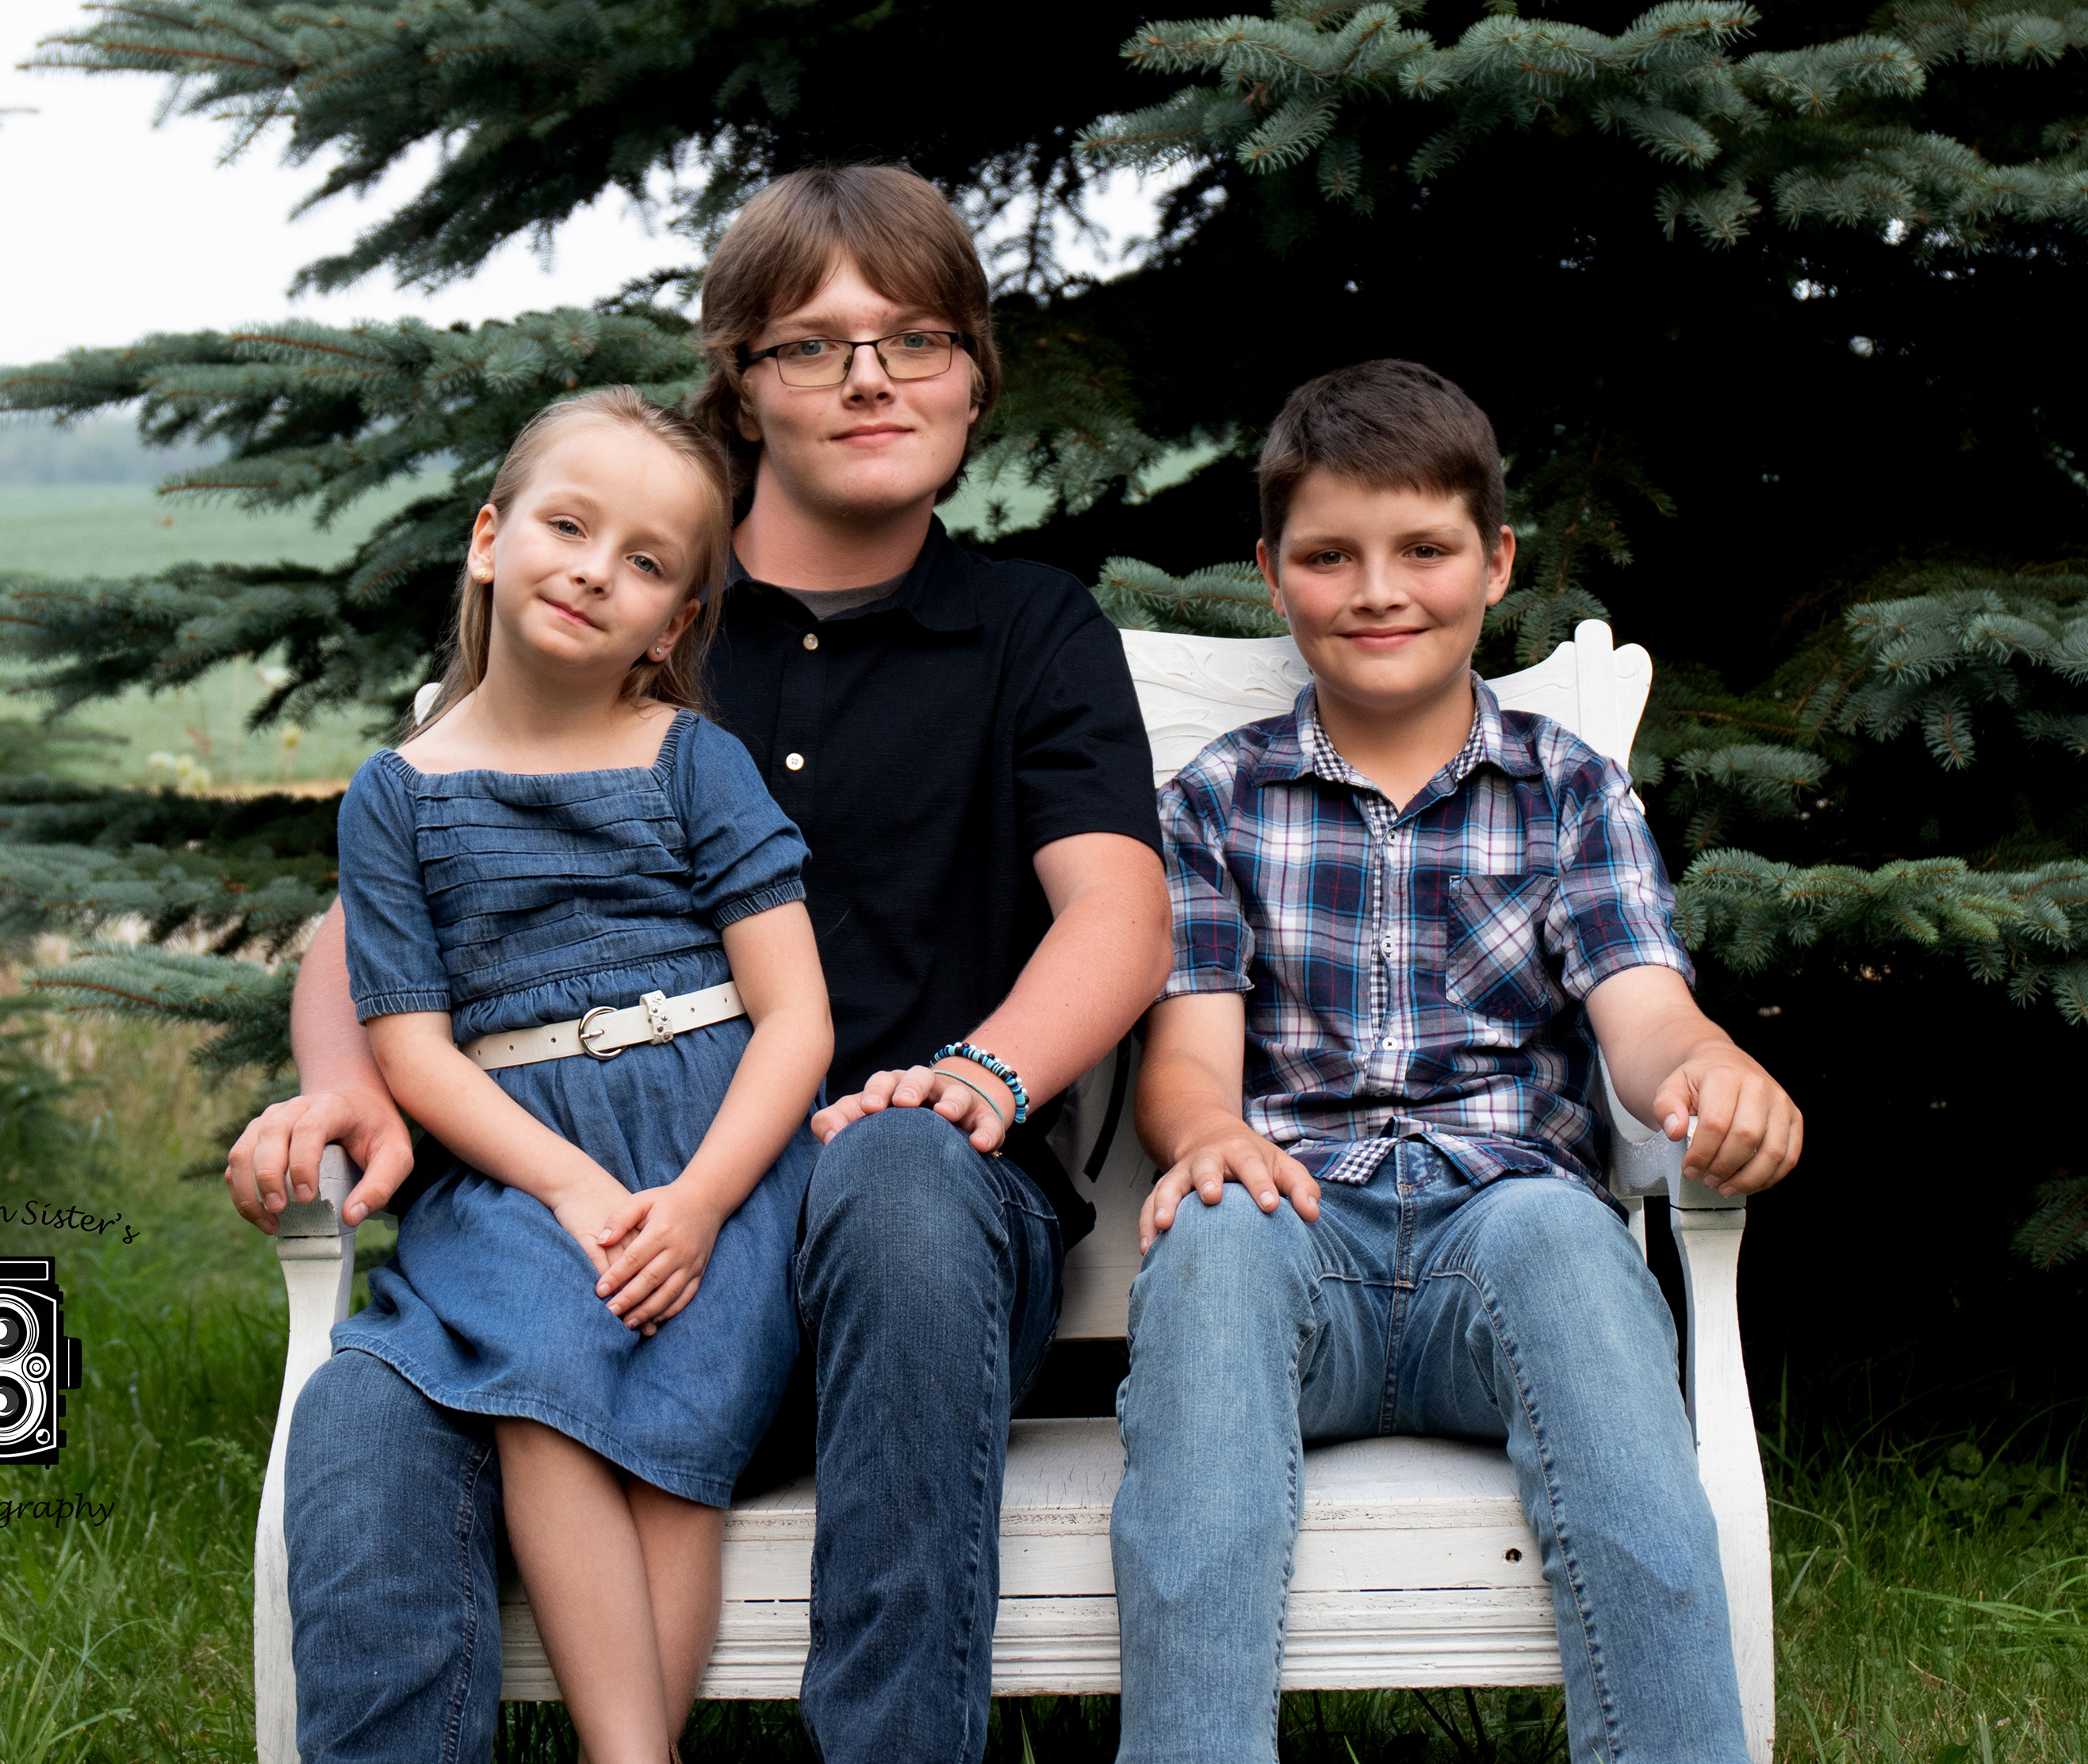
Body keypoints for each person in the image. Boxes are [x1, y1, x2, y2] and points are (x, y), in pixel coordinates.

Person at [231, 164, 1171, 1764]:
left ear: (975, 375)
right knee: (366, 1411)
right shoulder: (629, 604)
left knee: (897, 1174)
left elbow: (1119, 913)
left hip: (908, 1246)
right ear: (739, 383)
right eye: (812, 344)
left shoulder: (1029, 630)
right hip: (603, 1227)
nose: (871, 377)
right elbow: (375, 917)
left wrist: (984, 1072)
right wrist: (348, 1087)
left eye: (918, 338)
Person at [1110, 361, 1805, 1764]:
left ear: (1494, 563)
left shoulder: (1568, 788)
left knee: (1568, 1241)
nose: (1380, 591)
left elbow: (1647, 1014)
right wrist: (1209, 1140)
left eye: (1424, 550)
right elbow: (1186, 1065)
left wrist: (1714, 1064)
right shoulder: (1216, 799)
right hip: (1297, 1227)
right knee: (1215, 1240)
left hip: (1506, 1232)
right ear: (1272, 574)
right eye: (1330, 556)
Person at [329, 387, 834, 1764]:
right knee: (540, 1388)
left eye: (646, 561)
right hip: (516, 1165)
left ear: (672, 625)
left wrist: (702, 1203)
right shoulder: (398, 793)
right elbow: (411, 1047)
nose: (596, 569)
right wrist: (563, 1184)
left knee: (677, 1438)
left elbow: (796, 1017)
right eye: (568, 526)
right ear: (490, 540)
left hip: (715, 1154)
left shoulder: (692, 760)